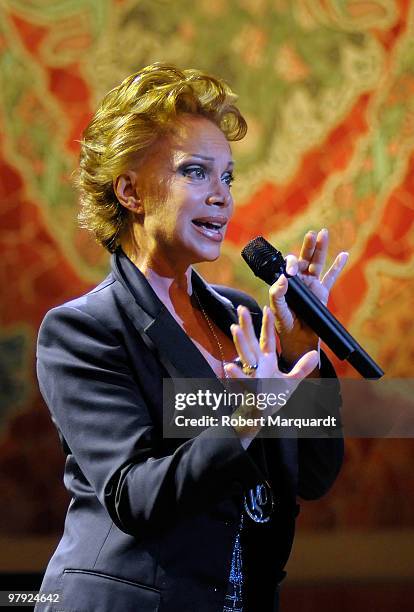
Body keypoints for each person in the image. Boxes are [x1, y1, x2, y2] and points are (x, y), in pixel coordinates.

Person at [35, 63, 348, 612]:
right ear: (130, 190)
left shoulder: (243, 317)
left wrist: (302, 350)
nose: (222, 196)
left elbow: (316, 476)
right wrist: (249, 415)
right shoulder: (84, 330)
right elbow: (135, 495)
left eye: (227, 177)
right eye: (195, 173)